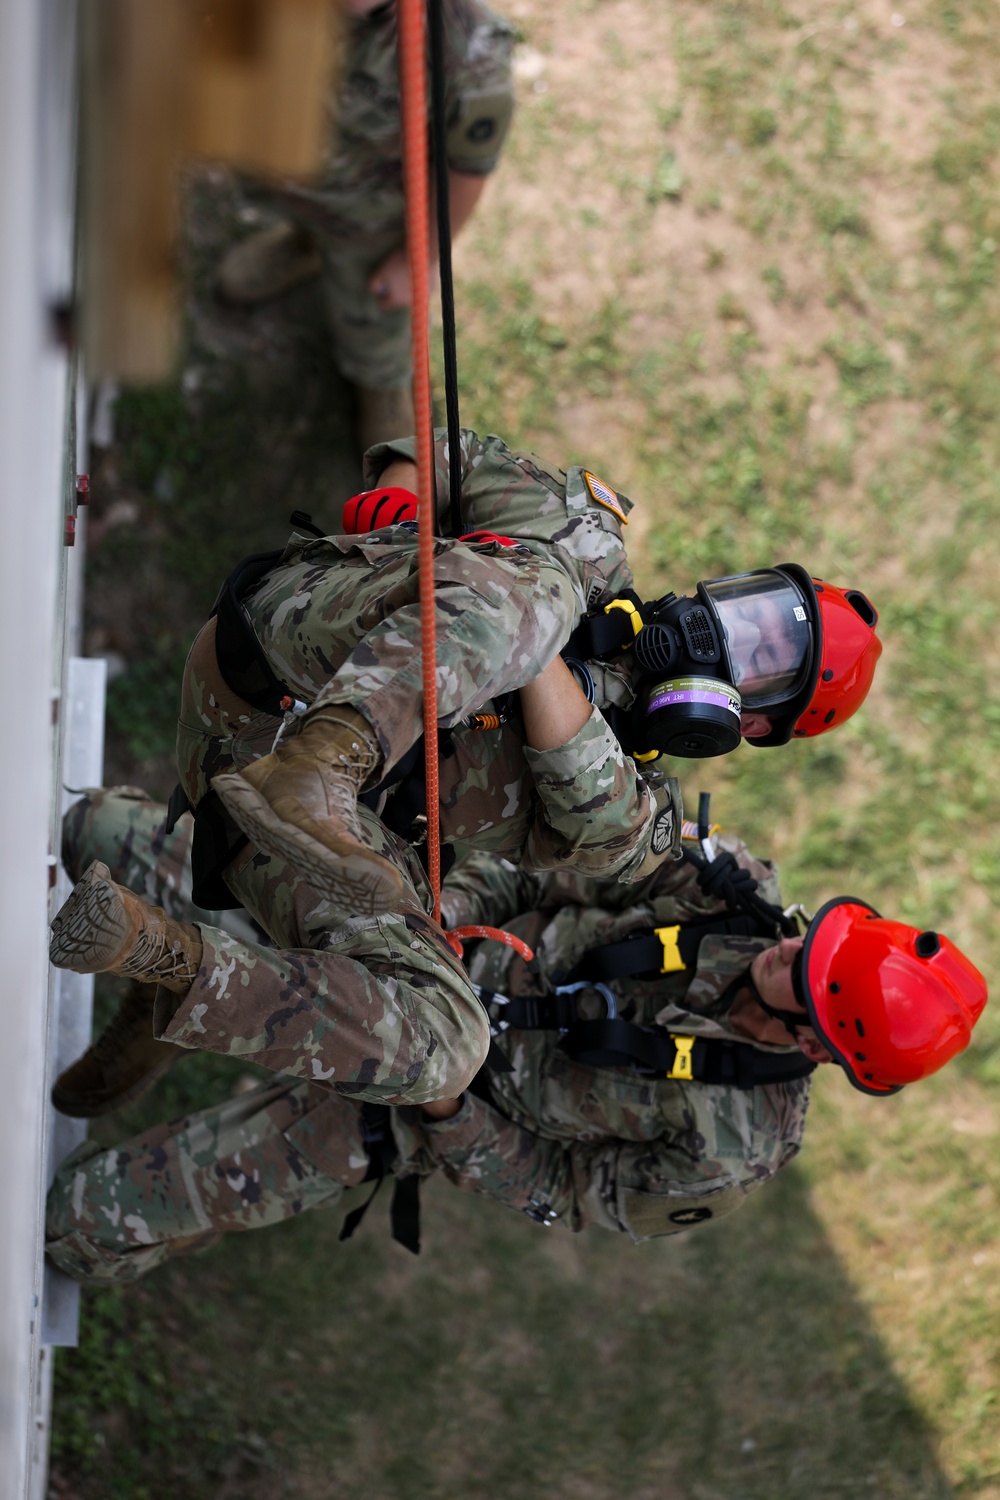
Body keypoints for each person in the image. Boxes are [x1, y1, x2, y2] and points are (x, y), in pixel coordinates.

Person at [45, 787, 986, 1281]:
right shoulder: (723, 895)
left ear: (820, 1048)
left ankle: (202, 1024)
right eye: (811, 941)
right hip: (419, 955)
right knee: (102, 833)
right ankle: (182, 1004)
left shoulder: (734, 1148)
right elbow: (535, 876)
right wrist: (437, 919)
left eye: (807, 987)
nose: (784, 953)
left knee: (76, 1228)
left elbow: (563, 1195)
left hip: (422, 1114)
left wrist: (452, 1111)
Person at [184, 427, 883, 917]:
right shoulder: (585, 546)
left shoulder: (646, 820)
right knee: (550, 581)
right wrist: (400, 501)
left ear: (753, 720)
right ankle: (321, 764)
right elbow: (452, 454)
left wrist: (529, 631)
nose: (718, 627)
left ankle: (172, 962)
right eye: (744, 606)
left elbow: (602, 823)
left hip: (270, 835)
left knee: (451, 1038)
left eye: (759, 657)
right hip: (274, 655)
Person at [216, 0, 516, 450]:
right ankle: (305, 246)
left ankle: (382, 387)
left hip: (371, 229)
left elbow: (465, 173)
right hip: (296, 183)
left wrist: (420, 259)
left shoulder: (467, 58)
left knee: (372, 327)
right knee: (299, 219)